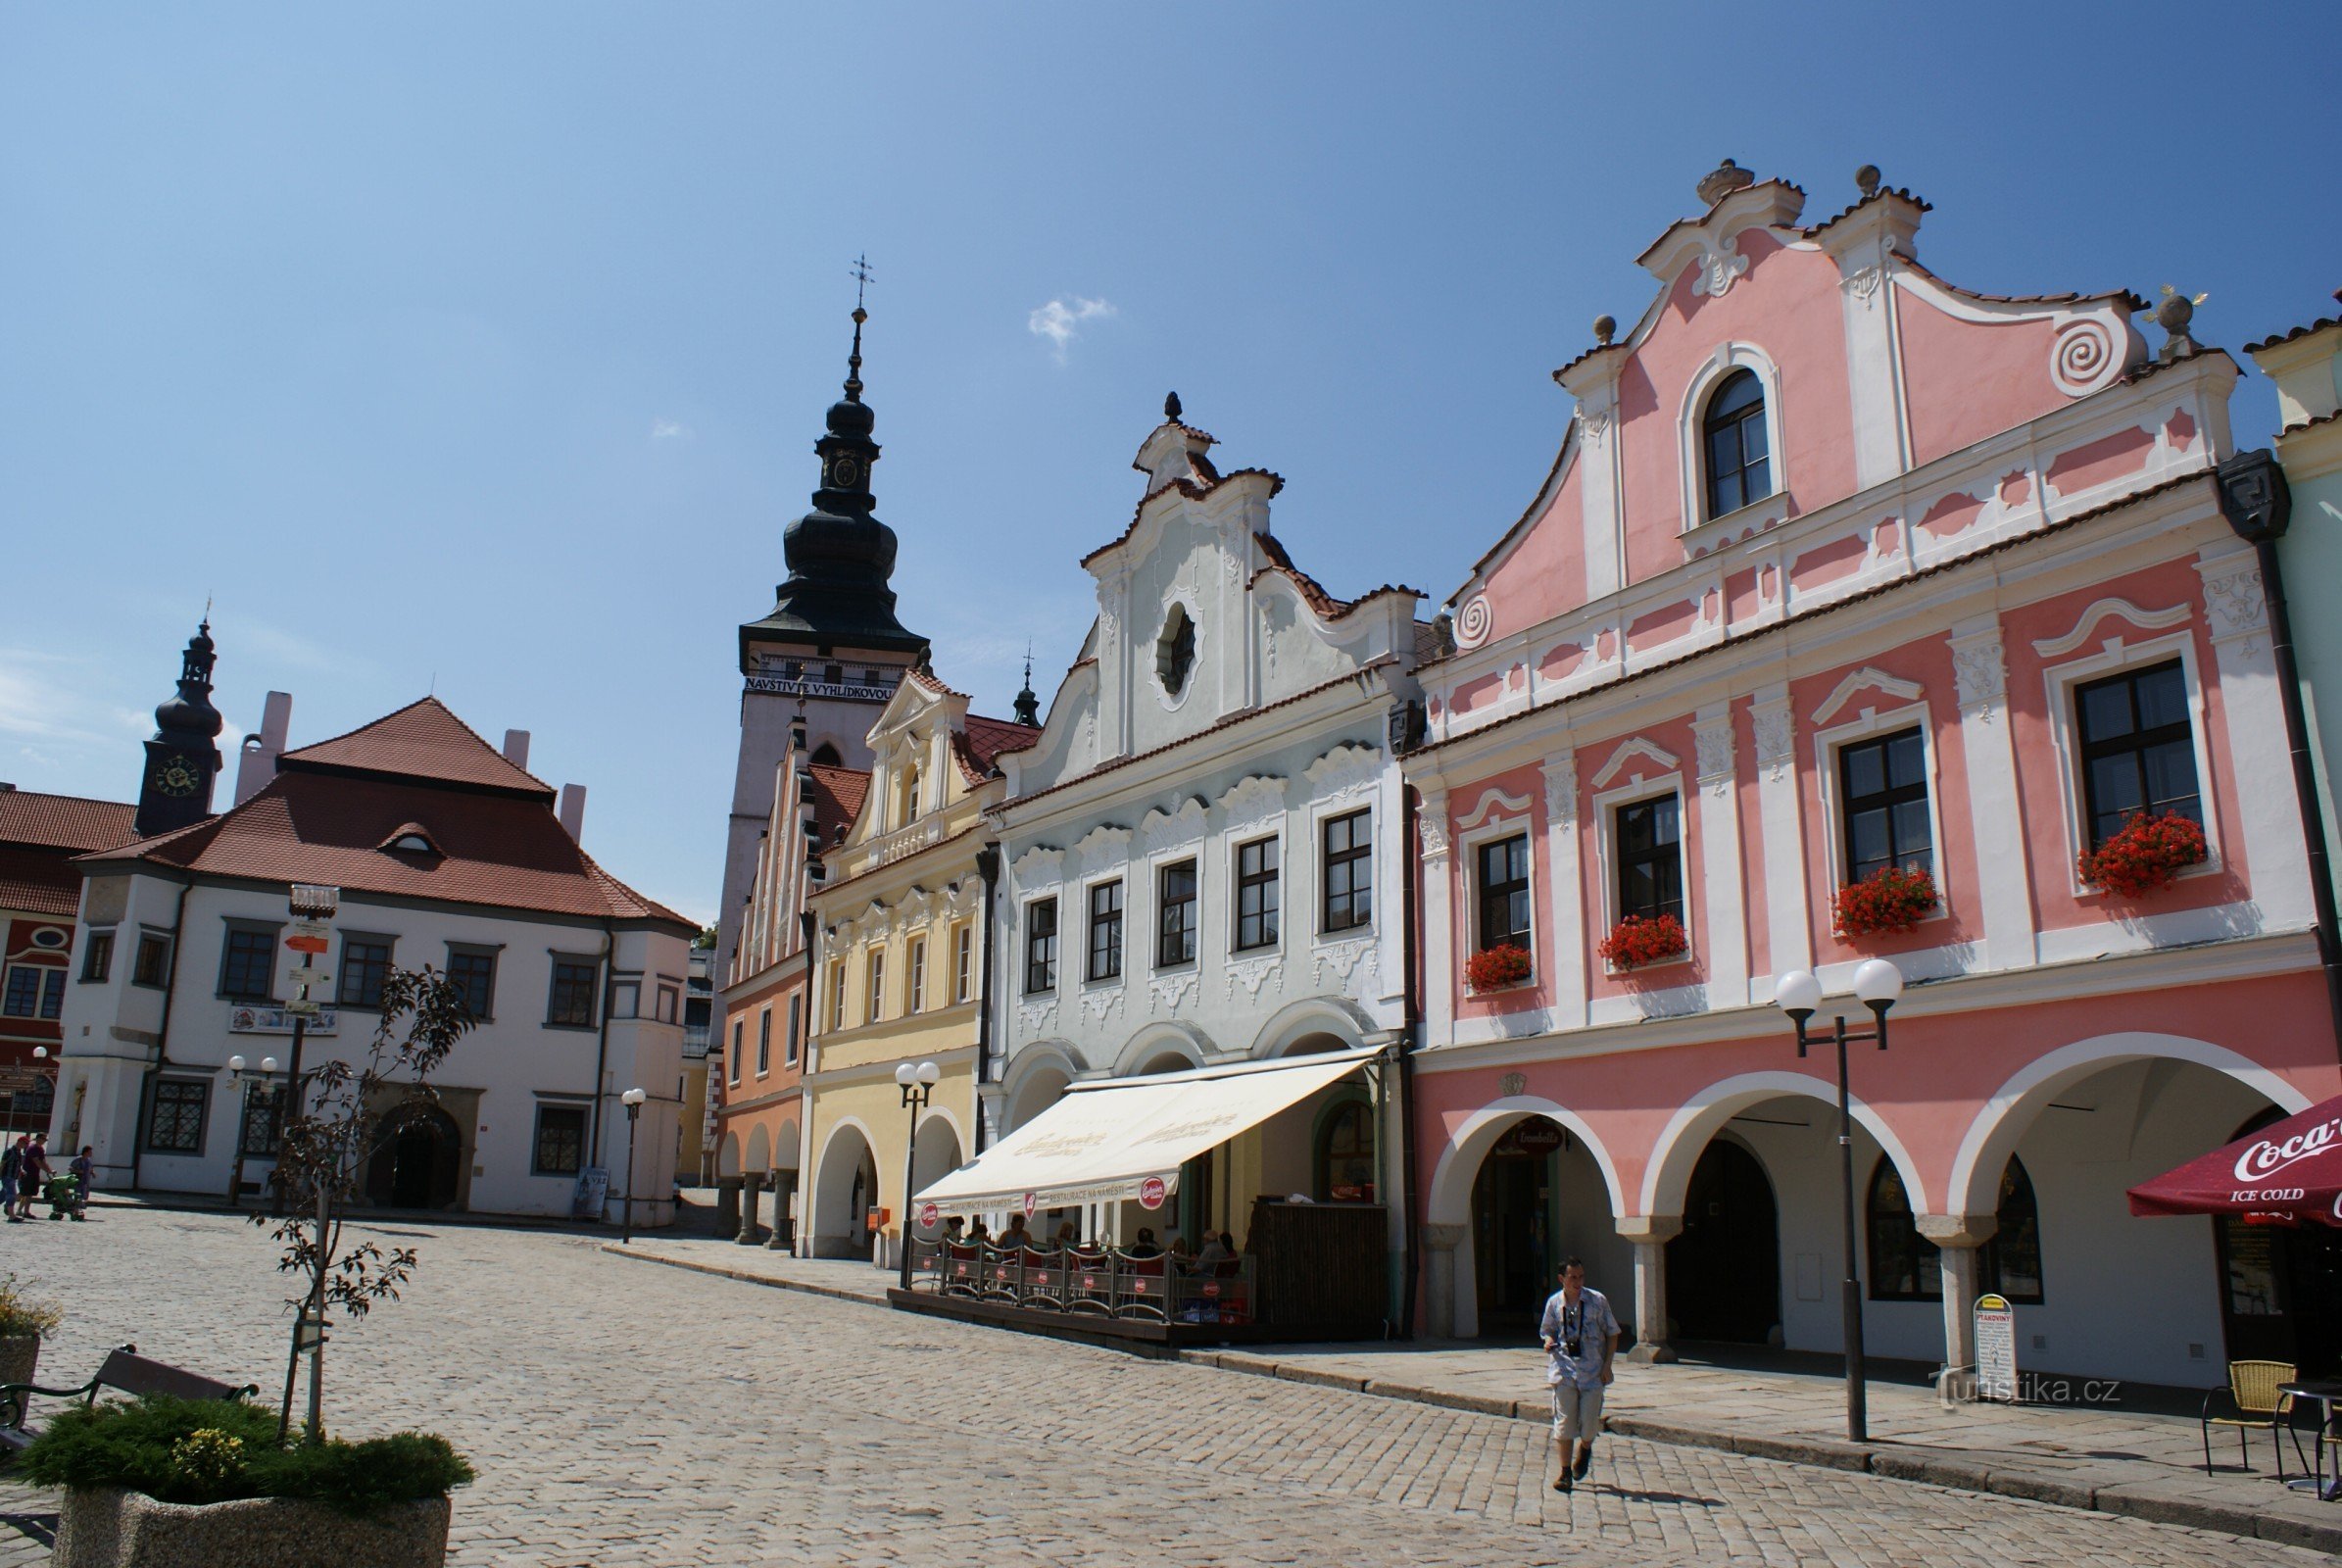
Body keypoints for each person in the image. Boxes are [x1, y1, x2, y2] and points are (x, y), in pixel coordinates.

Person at [1539, 1256, 1620, 1494]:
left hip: (1592, 1372)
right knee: (1563, 1423)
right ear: (1562, 1279)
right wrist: (1549, 1341)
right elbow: (1547, 1330)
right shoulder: (1554, 1303)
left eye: (1581, 1276)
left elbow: (1612, 1333)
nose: (1577, 1281)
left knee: (1589, 1426)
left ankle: (1585, 1448)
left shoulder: (1597, 1301)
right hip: (1563, 1370)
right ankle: (1565, 1473)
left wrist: (1607, 1366)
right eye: (1572, 1277)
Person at [17, 1135, 49, 1222]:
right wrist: (47, 1170)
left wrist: (50, 1170)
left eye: (45, 1140)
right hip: (27, 1173)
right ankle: (9, 1204)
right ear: (38, 1139)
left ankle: (26, 1212)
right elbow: (37, 1162)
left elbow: (43, 1161)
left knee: (30, 1193)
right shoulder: (32, 1149)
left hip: (35, 1173)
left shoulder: (41, 1149)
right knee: (23, 1192)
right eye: (43, 1139)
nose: (44, 1141)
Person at [68, 1147, 93, 1221]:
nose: (91, 1153)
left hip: (85, 1181)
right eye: (90, 1152)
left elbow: (90, 1168)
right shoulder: (78, 1159)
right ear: (86, 1152)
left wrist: (92, 1173)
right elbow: (70, 1168)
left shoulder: (88, 1161)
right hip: (78, 1181)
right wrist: (78, 1171)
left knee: (84, 1197)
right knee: (77, 1196)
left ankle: (79, 1210)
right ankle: (75, 1211)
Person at [0, 1136, 21, 1224]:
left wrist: (21, 1172)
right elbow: (2, 1163)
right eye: (24, 1143)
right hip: (7, 1176)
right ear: (19, 1141)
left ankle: (11, 1215)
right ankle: (11, 1216)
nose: (25, 1145)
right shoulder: (9, 1151)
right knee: (11, 1195)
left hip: (13, 1177)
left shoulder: (18, 1152)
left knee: (3, 1196)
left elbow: (18, 1165)